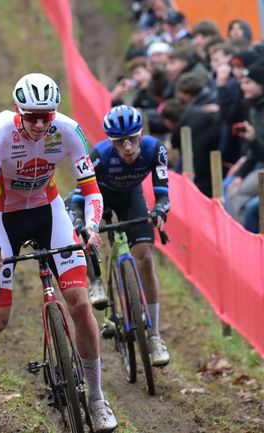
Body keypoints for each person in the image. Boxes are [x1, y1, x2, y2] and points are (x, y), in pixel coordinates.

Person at [0, 73, 116, 432]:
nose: (39, 125)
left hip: (48, 211)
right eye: (31, 116)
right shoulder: (0, 132)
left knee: (80, 304)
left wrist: (91, 227)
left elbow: (91, 190)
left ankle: (96, 398)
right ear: (18, 112)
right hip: (2, 217)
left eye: (46, 116)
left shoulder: (68, 130)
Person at [70, 105, 171, 368]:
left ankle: (155, 336)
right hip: (98, 197)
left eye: (132, 139)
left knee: (145, 258)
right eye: (120, 142)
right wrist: (81, 223)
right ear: (111, 142)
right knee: (83, 234)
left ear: (141, 135)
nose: (127, 147)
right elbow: (79, 198)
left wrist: (160, 209)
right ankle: (95, 281)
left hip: (131, 198)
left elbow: (162, 192)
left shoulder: (155, 150)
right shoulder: (100, 156)